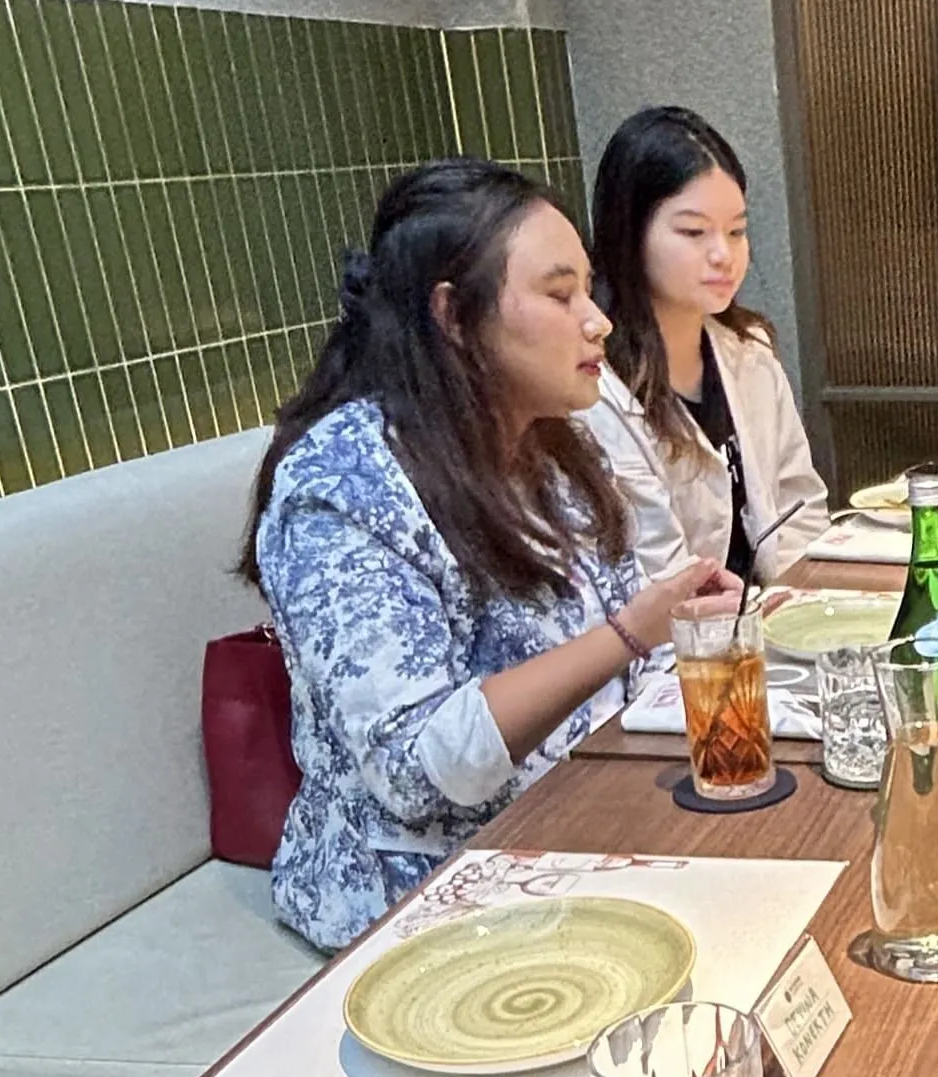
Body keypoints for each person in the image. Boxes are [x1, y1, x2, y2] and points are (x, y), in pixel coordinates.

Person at [243, 159, 736, 950]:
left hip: (581, 825)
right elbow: (419, 769)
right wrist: (629, 634)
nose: (598, 322)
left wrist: (683, 629)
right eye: (560, 294)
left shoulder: (552, 448)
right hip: (425, 897)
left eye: (588, 291)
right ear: (453, 314)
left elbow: (625, 667)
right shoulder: (340, 491)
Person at [584, 106, 828, 584]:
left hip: (772, 613)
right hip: (680, 628)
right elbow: (652, 569)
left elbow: (801, 506)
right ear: (630, 234)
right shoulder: (597, 384)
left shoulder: (749, 350)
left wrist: (796, 603)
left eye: (736, 231)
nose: (723, 254)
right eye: (693, 232)